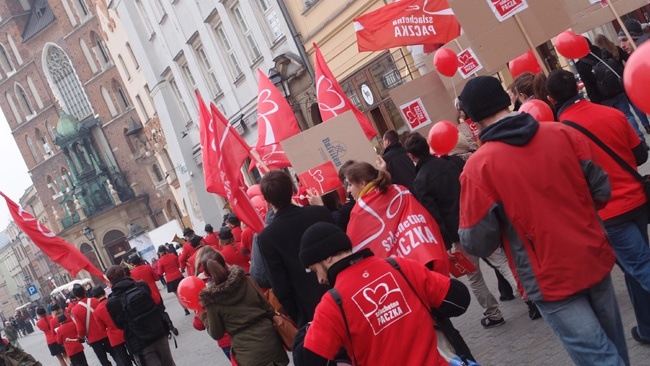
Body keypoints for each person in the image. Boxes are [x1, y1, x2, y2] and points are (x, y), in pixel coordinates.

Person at [458, 76, 628, 365]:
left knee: (600, 357)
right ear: (506, 100)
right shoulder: (562, 133)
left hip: (547, 276)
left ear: (472, 118)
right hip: (591, 253)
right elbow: (602, 191)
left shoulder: (478, 168)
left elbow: (477, 240)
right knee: (611, 347)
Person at [547, 69, 650, 345]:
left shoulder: (561, 133)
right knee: (636, 266)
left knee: (640, 266)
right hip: (637, 201)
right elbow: (641, 154)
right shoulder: (612, 113)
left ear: (550, 98)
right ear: (578, 88)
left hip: (608, 212)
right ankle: (646, 327)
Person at [294, 222, 470, 365]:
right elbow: (459, 300)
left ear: (328, 258)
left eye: (315, 270)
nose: (319, 279)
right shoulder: (400, 267)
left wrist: (308, 328)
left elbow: (309, 360)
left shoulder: (332, 305)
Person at [404, 132, 532, 326]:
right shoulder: (452, 163)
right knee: (502, 261)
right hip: (477, 220)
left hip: (458, 234)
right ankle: (530, 297)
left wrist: (446, 243)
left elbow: (434, 216)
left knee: (475, 277)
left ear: (411, 156)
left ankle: (493, 314)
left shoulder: (420, 181)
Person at [344, 161, 449, 275]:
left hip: (399, 274)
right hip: (423, 257)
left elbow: (356, 247)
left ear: (362, 184)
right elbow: (421, 217)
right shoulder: (399, 190)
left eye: (350, 184)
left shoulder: (359, 211)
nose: (348, 190)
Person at [257, 170, 333, 327]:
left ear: (267, 201)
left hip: (310, 309)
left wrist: (298, 315)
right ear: (292, 189)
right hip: (339, 291)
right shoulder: (320, 212)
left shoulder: (267, 237)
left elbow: (280, 285)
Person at [198, 249, 289, 366]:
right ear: (225, 263)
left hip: (247, 353)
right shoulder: (246, 280)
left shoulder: (212, 300)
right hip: (271, 342)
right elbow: (268, 309)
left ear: (206, 274)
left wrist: (204, 318)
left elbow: (217, 333)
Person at [105, 265, 176, 366]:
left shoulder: (112, 302)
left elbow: (119, 325)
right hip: (158, 331)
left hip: (139, 342)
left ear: (110, 281)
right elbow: (155, 303)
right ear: (124, 273)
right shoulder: (141, 285)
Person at [576, 37, 645, 141]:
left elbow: (589, 86)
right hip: (618, 89)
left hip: (603, 97)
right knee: (628, 115)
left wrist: (595, 103)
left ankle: (628, 140)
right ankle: (640, 138)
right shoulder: (604, 52)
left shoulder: (581, 65)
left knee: (614, 120)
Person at [129, 254, 178, 335]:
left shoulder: (132, 273)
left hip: (144, 297)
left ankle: (164, 330)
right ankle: (171, 326)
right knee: (162, 311)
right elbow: (157, 278)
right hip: (155, 293)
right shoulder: (147, 267)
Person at [70, 284, 116, 366]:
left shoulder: (75, 310)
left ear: (75, 295)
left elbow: (80, 328)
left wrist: (80, 337)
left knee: (103, 360)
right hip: (105, 333)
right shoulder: (95, 300)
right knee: (115, 354)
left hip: (93, 338)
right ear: (84, 291)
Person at [91, 286, 132, 366]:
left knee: (124, 360)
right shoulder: (114, 301)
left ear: (95, 297)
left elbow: (102, 328)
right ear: (104, 292)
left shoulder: (97, 311)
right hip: (125, 331)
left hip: (114, 337)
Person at [156, 245, 190, 315]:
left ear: (160, 253)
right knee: (184, 292)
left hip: (170, 279)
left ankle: (186, 310)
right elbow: (178, 265)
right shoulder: (173, 256)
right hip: (178, 275)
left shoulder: (160, 261)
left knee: (178, 295)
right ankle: (191, 304)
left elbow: (160, 273)